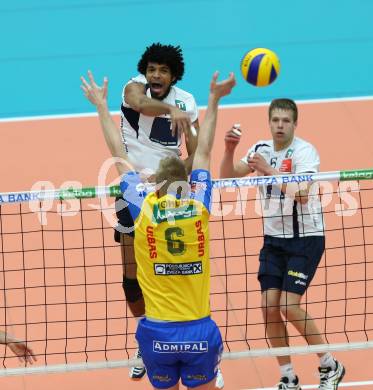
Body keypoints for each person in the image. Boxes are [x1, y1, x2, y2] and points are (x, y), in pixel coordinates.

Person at [82, 42, 210, 383]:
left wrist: (171, 174)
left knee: (178, 273)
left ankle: (198, 347)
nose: (156, 74)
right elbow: (140, 104)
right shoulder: (133, 88)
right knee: (133, 279)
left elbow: (196, 155)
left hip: (170, 190)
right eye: (152, 68)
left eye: (163, 70)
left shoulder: (187, 102)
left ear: (173, 75)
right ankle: (146, 340)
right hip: (132, 190)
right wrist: (171, 113)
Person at [219, 98, 345, 390]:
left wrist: (267, 170)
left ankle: (330, 365)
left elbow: (301, 194)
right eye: (275, 120)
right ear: (269, 121)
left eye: (285, 121)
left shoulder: (304, 152)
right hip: (274, 240)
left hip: (306, 239)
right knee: (268, 307)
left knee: (289, 305)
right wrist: (229, 149)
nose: (279, 125)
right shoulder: (260, 149)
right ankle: (288, 376)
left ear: (295, 124)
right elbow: (226, 177)